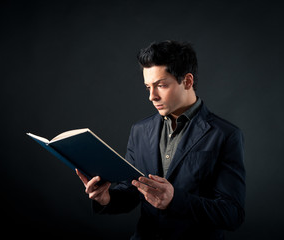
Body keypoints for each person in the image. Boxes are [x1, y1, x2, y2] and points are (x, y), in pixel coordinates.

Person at [76, 40, 245, 239]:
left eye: (161, 85)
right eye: (148, 87)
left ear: (188, 81)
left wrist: (175, 200)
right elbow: (130, 192)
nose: (152, 96)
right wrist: (105, 198)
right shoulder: (140, 130)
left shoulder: (225, 135)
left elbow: (232, 214)